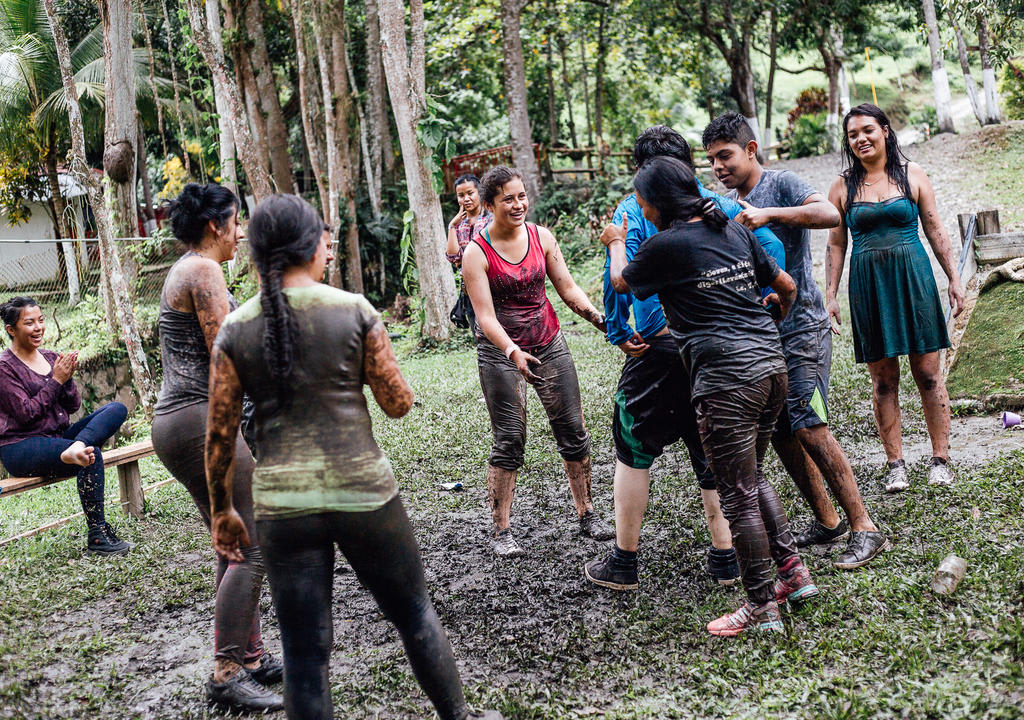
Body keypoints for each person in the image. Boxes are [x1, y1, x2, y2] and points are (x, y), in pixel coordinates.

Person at [205, 194, 502, 720]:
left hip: (282, 506)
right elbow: (397, 404)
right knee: (414, 613)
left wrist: (223, 510)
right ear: (310, 246)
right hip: (364, 492)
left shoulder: (235, 329)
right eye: (323, 237)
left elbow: (220, 435)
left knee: (303, 653)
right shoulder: (355, 311)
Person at [603, 156, 818, 637]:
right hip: (770, 366)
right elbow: (785, 284)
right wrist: (772, 318)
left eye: (640, 199)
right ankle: (793, 576)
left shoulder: (664, 245)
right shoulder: (734, 230)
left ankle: (761, 607)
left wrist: (617, 242)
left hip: (727, 380)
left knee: (737, 493)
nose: (639, 206)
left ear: (656, 202)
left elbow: (621, 283)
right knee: (752, 478)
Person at [586, 125, 787, 591]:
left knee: (633, 449)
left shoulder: (635, 207)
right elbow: (770, 252)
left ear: (644, 173)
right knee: (714, 451)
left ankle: (624, 562)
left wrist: (619, 330)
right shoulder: (720, 205)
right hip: (723, 352)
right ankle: (725, 558)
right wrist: (760, 305)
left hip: (657, 346)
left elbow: (619, 277)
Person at [703, 111, 889, 570]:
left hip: (804, 326)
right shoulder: (726, 202)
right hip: (762, 335)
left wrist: (770, 213)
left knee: (809, 422)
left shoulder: (781, 183)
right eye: (710, 160)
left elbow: (829, 213)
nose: (718, 167)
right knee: (782, 432)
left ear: (750, 149)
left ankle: (865, 526)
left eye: (725, 156)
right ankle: (828, 522)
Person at [150, 183, 283, 712]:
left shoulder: (190, 268)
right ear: (215, 225)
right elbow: (223, 356)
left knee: (232, 538)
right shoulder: (203, 270)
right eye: (236, 221)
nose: (241, 232)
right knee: (252, 537)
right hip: (198, 419)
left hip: (186, 419)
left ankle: (248, 657)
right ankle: (227, 671)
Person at [461, 165, 615, 557]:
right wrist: (513, 352)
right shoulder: (476, 253)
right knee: (510, 438)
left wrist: (603, 322)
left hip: (548, 342)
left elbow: (567, 287)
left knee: (574, 430)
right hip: (500, 352)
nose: (518, 204)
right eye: (508, 199)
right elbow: (485, 318)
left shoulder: (541, 236)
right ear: (490, 204)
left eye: (522, 196)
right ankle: (501, 529)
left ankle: (587, 513)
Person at [825, 104, 964, 492]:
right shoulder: (842, 186)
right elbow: (835, 245)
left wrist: (954, 279)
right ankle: (896, 464)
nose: (860, 139)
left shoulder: (912, 174)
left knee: (929, 373)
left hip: (914, 279)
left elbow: (935, 229)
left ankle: (940, 458)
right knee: (884, 381)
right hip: (869, 284)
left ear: (885, 131)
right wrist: (830, 294)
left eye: (867, 130)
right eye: (852, 135)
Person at [0, 297, 130, 556]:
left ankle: (77, 446)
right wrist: (57, 379)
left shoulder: (49, 357)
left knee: (117, 409)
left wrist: (67, 378)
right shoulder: (4, 368)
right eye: (29, 323)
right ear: (11, 330)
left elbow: (72, 406)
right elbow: (26, 415)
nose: (38, 327)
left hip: (58, 438)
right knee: (91, 456)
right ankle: (98, 536)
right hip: (21, 446)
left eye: (41, 320)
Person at [446, 173, 493, 267]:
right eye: (461, 195)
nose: (466, 199)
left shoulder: (491, 219)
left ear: (480, 193)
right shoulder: (458, 225)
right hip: (466, 279)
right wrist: (451, 226)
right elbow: (453, 257)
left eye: (470, 193)